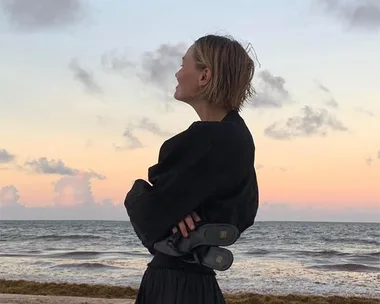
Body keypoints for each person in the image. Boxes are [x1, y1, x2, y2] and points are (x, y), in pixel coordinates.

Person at [124, 34, 259, 304]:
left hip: (174, 282)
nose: (177, 73)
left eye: (183, 64)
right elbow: (244, 213)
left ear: (204, 75)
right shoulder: (241, 137)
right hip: (199, 279)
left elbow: (148, 214)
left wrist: (140, 192)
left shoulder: (203, 140)